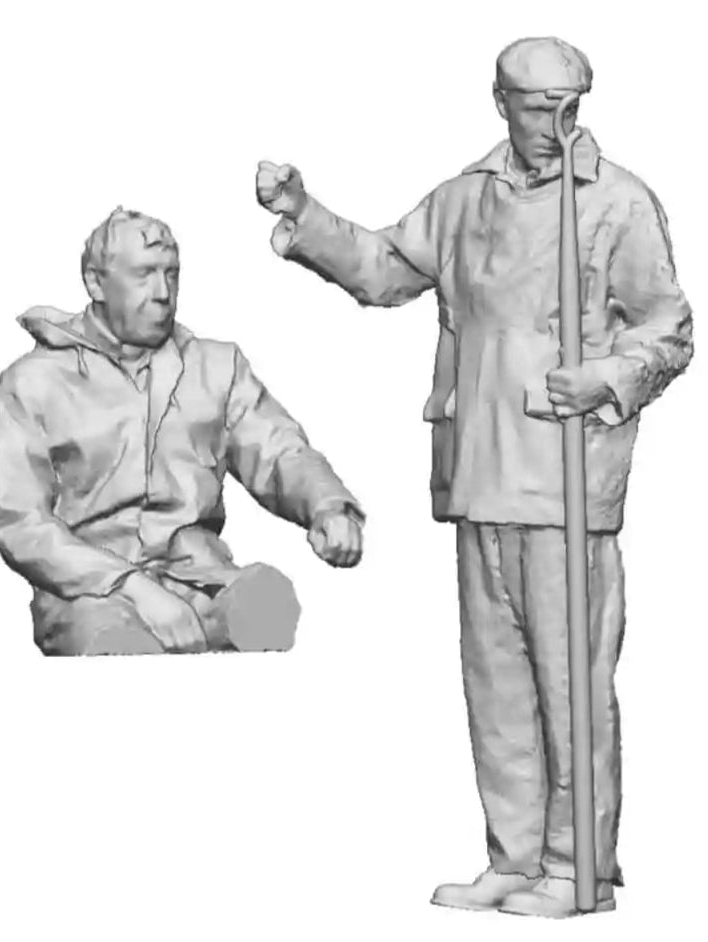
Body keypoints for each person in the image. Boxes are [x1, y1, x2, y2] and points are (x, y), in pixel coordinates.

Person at [256, 36, 693, 918]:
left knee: (571, 685)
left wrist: (608, 378)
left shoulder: (618, 202)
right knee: (495, 685)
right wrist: (306, 214)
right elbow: (385, 269)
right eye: (538, 106)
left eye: (570, 106)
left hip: (567, 481)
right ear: (501, 102)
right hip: (481, 471)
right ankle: (514, 855)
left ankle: (579, 868)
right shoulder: (466, 199)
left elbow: (669, 328)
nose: (556, 123)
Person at [0, 207, 364, 657]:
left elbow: (278, 450)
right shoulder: (34, 382)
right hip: (88, 593)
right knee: (120, 652)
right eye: (144, 274)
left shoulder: (216, 367)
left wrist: (327, 506)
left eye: (171, 274)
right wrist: (131, 586)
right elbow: (20, 522)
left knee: (267, 609)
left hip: (200, 578)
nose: (163, 292)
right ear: (95, 282)